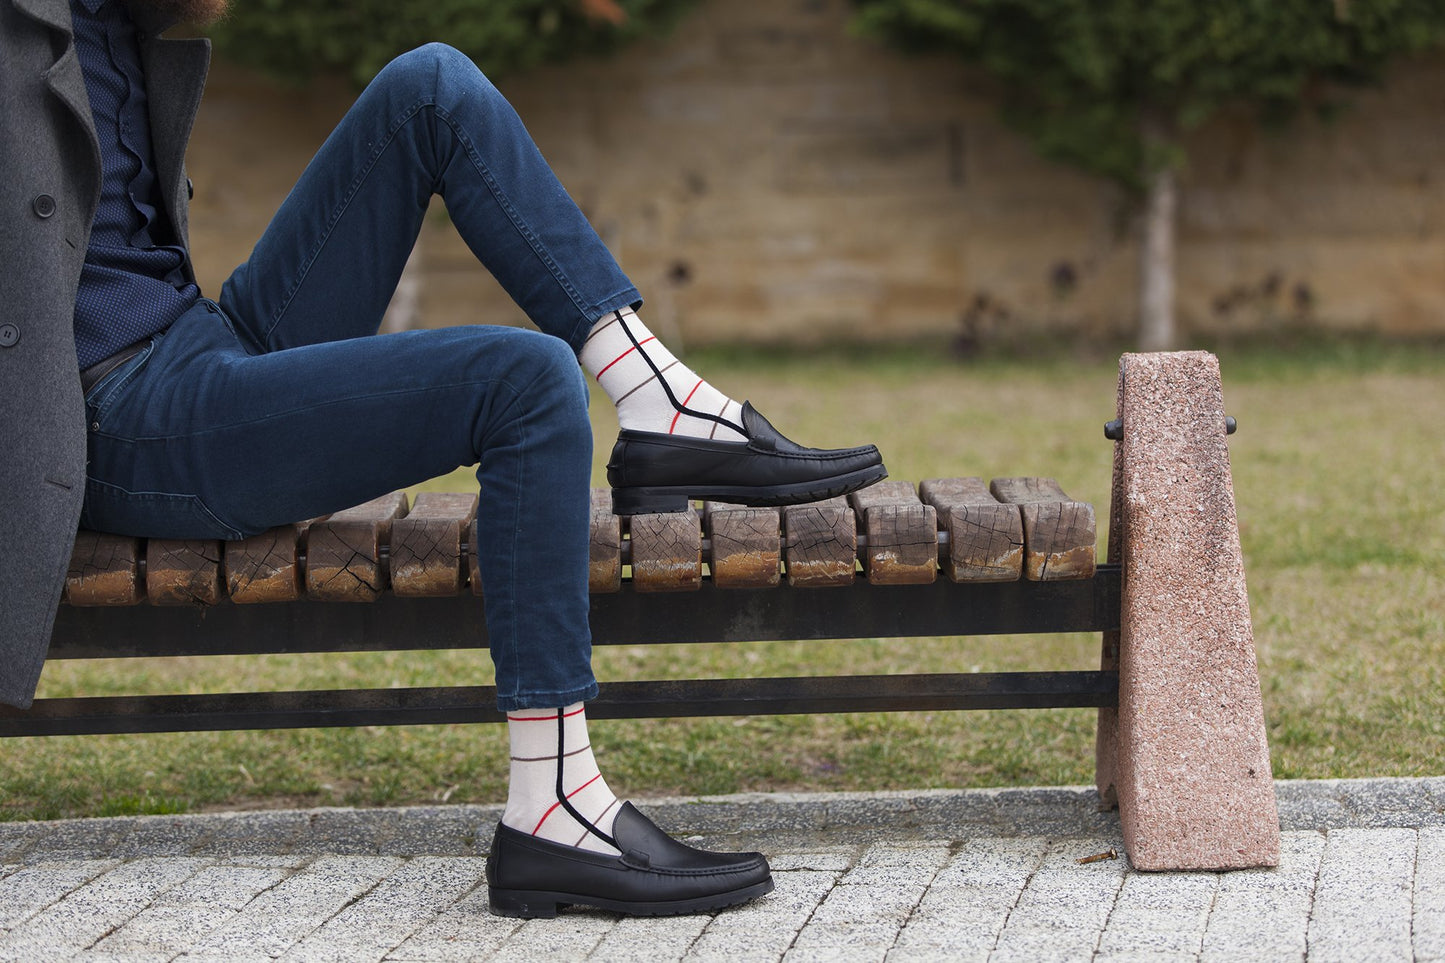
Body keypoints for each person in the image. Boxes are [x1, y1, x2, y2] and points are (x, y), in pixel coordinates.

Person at [0, 0, 887, 918]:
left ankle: (658, 395)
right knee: (526, 380)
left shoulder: (115, 13)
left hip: (199, 345)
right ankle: (554, 805)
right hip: (121, 417)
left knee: (431, 84)